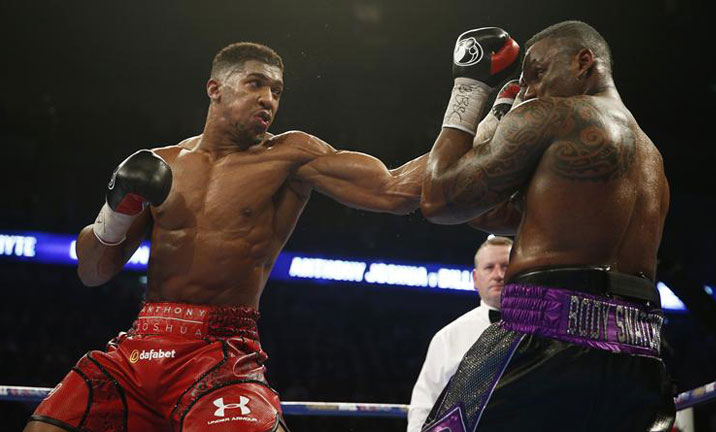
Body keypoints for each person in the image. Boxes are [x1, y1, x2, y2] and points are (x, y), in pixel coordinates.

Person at [24, 42, 427, 432]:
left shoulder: (290, 156)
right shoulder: (161, 165)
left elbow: (393, 191)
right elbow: (92, 272)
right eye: (255, 84)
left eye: (277, 91)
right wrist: (116, 211)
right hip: (140, 346)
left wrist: (466, 114)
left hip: (221, 351)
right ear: (215, 89)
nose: (268, 99)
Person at [420, 22, 675, 431]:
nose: (531, 90)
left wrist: (470, 88)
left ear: (583, 62)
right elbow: (490, 215)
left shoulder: (554, 116)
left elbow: (438, 199)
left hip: (547, 331)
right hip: (641, 350)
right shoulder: (652, 159)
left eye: (537, 72)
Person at [408, 236, 512, 432]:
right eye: (489, 267)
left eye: (505, 267)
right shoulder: (448, 337)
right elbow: (425, 403)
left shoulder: (542, 330)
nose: (498, 275)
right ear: (475, 279)